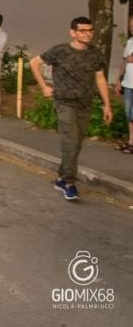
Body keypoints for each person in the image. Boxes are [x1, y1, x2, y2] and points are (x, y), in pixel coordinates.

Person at [29, 17, 112, 201]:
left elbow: (100, 78)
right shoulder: (60, 51)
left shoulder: (95, 53)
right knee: (71, 142)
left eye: (90, 30)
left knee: (76, 144)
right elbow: (34, 62)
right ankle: (69, 182)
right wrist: (44, 86)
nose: (87, 33)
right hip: (64, 102)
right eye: (83, 30)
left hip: (85, 103)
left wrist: (107, 104)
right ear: (73, 32)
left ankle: (61, 177)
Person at [115, 16, 133, 153]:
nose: (131, 28)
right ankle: (131, 141)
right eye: (130, 26)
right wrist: (118, 80)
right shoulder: (130, 42)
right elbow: (124, 61)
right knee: (128, 113)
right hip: (128, 83)